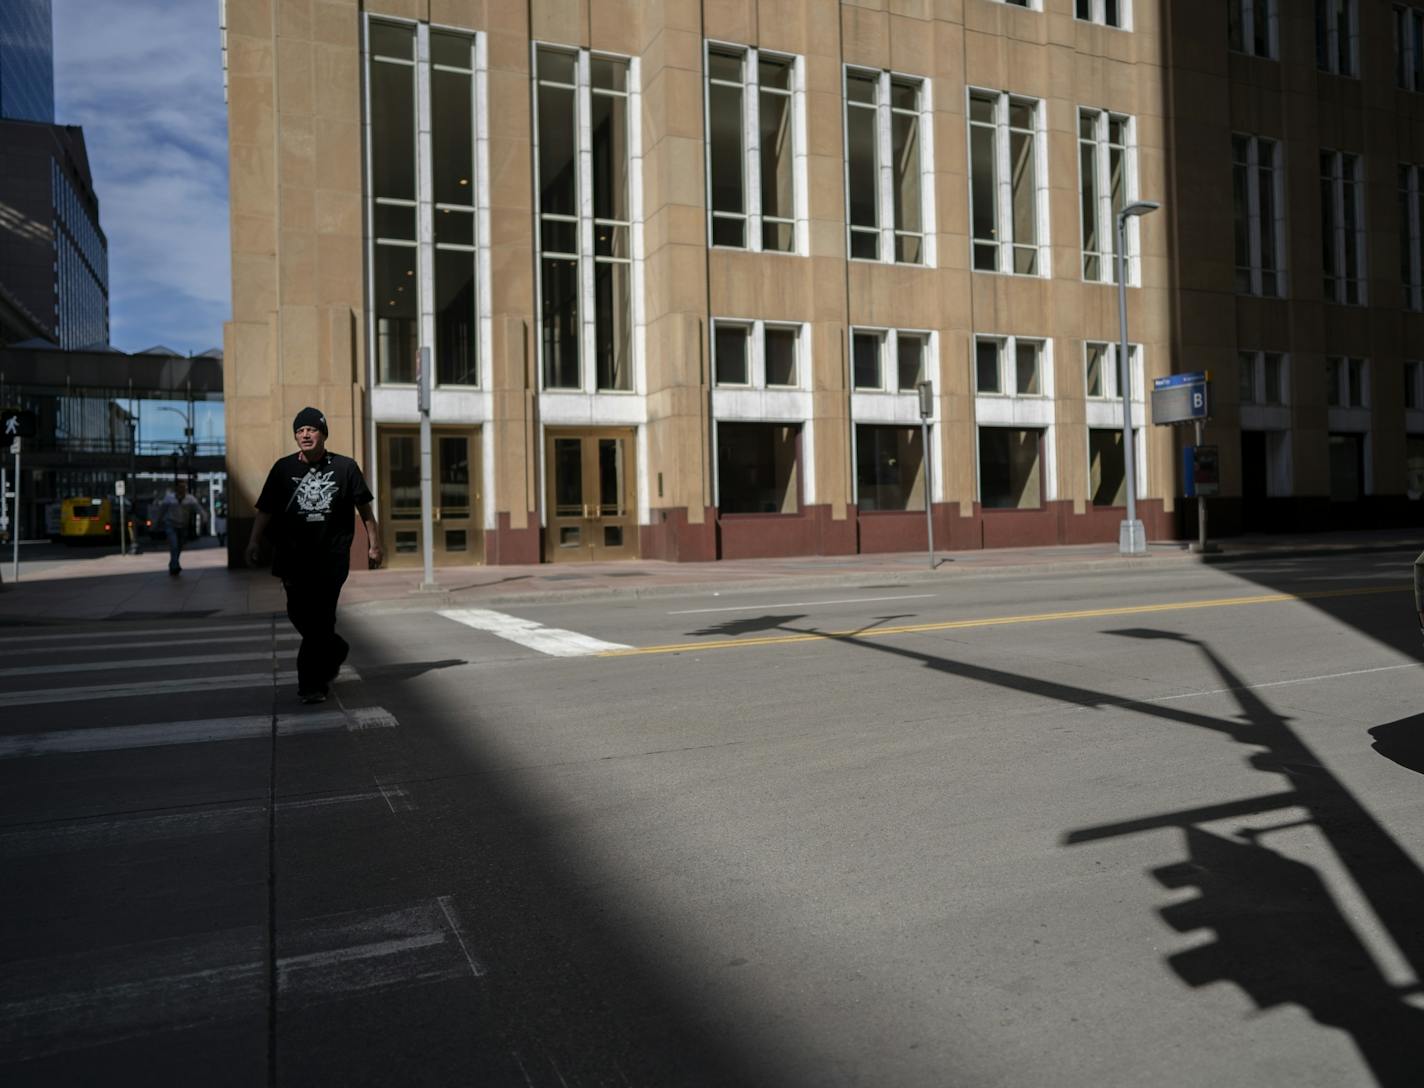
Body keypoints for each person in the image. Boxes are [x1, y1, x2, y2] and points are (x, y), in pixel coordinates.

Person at [246, 408, 383, 704]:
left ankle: (312, 684)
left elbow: (365, 510)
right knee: (300, 614)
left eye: (311, 429)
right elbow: (266, 510)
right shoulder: (282, 469)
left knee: (320, 619)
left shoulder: (345, 467)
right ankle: (334, 649)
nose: (305, 434)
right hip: (292, 557)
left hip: (330, 557)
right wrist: (254, 542)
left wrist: (374, 544)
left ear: (323, 433)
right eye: (299, 430)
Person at [154, 479, 202, 576]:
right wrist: (157, 522)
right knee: (174, 545)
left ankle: (173, 563)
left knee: (179, 546)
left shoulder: (190, 499)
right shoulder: (169, 499)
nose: (182, 489)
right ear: (176, 488)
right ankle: (175, 566)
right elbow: (161, 511)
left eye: (184, 487)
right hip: (171, 525)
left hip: (183, 526)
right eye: (180, 487)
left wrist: (204, 517)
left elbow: (199, 509)